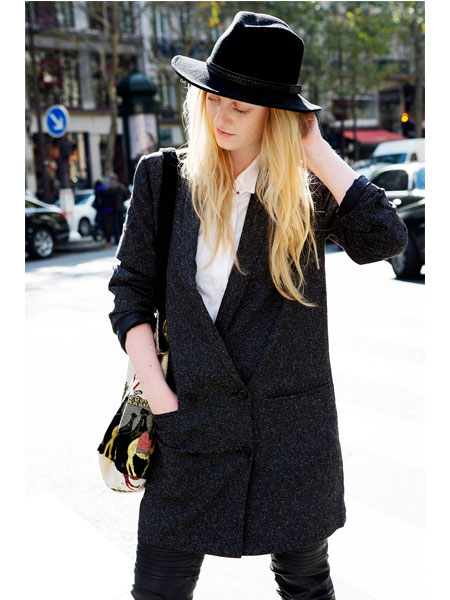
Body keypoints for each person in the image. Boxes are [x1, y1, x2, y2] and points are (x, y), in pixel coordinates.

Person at [108, 11, 408, 600]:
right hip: (188, 426)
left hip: (290, 436)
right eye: (214, 99)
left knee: (305, 586)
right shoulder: (163, 179)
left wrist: (314, 147)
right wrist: (162, 401)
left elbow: (386, 239)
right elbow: (130, 294)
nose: (221, 117)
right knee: (158, 589)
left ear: (275, 114)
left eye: (241, 107)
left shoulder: (306, 190)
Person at [108, 173, 129, 244]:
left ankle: (117, 239)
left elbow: (109, 199)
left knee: (116, 225)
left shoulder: (110, 188)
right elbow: (126, 196)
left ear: (112, 180)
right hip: (121, 208)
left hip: (114, 209)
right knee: (122, 224)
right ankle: (123, 238)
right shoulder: (122, 187)